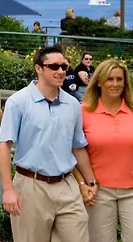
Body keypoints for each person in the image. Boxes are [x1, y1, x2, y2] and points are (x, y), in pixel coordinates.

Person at [0, 44, 96, 242]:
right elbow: (4, 145)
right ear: (39, 69)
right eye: (54, 66)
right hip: (31, 185)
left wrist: (91, 182)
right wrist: (8, 190)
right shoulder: (18, 101)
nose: (61, 71)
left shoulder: (73, 105)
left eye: (64, 66)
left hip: (67, 185)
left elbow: (77, 146)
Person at [73, 59, 133, 241]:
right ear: (99, 81)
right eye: (110, 79)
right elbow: (71, 150)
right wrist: (82, 183)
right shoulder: (82, 112)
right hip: (98, 191)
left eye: (119, 79)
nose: (115, 84)